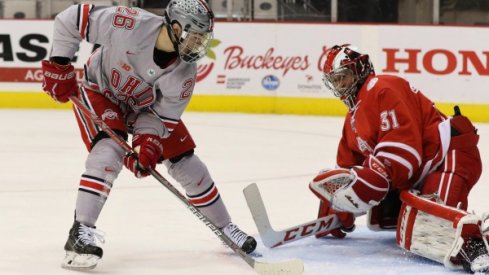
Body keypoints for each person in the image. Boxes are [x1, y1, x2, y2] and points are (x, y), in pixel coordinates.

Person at [41, 0, 256, 270]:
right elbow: (70, 19)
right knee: (109, 151)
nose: (198, 46)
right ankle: (80, 232)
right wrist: (60, 64)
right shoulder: (129, 23)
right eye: (194, 37)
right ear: (176, 27)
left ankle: (225, 228)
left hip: (143, 109)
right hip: (101, 92)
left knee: (187, 164)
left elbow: (159, 117)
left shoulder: (185, 74)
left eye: (203, 39)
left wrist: (147, 145)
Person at [308, 44, 488, 273]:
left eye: (344, 78)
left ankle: (477, 244)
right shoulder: (352, 118)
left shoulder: (381, 88)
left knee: (433, 228)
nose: (340, 86)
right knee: (399, 226)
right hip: (421, 169)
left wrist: (372, 178)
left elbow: (404, 154)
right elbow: (346, 168)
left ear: (360, 70)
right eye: (335, 81)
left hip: (448, 156)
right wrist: (337, 202)